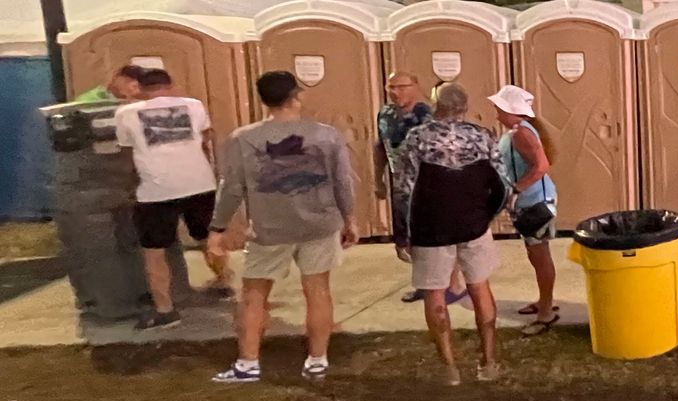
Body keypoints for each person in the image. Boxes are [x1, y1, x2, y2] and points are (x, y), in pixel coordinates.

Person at [205, 71, 359, 384]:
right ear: (296, 96)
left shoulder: (243, 138)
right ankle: (317, 360)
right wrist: (349, 217)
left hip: (269, 228)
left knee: (254, 296)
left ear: (263, 100)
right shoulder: (326, 135)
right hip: (319, 223)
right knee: (317, 291)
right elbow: (342, 181)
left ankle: (248, 363)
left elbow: (232, 187)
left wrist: (218, 227)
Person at [391, 84, 505, 384]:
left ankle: (449, 368)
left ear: (433, 105)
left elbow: (403, 189)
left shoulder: (416, 139)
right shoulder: (483, 136)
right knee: (480, 288)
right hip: (473, 226)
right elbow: (502, 184)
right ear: (465, 107)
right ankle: (489, 362)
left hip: (431, 228)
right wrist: (486, 215)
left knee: (435, 293)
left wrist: (402, 233)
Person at [113, 67, 231, 329]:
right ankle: (224, 281)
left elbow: (125, 154)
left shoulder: (126, 113)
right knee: (208, 238)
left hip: (155, 191)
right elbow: (205, 139)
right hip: (199, 183)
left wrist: (129, 186)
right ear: (171, 85)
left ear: (141, 88)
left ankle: (165, 311)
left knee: (155, 253)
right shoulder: (194, 106)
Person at [488, 85, 561, 335]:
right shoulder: (520, 131)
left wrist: (516, 189)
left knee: (540, 256)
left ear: (509, 110)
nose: (495, 112)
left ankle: (546, 312)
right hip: (531, 201)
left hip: (535, 202)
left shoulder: (521, 134)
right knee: (536, 255)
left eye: (499, 107)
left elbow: (541, 166)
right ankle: (544, 301)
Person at [375, 70, 448, 305]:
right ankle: (424, 284)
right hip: (401, 186)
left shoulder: (427, 116)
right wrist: (378, 178)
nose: (395, 92)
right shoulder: (385, 114)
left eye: (401, 87)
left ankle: (445, 284)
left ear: (415, 86)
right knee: (408, 239)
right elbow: (381, 147)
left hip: (427, 186)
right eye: (391, 87)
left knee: (435, 237)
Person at [74, 64, 146, 104]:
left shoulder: (139, 103)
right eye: (127, 80)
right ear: (115, 78)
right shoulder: (89, 100)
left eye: (136, 86)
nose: (130, 87)